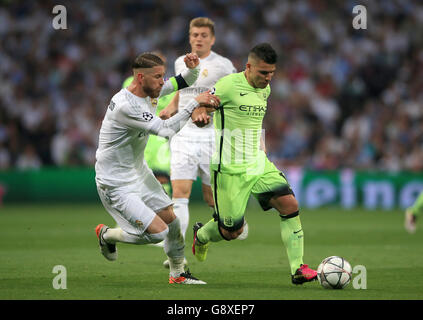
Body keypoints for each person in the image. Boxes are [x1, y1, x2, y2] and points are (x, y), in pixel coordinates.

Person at [191, 43, 318, 285]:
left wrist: (261, 143)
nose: (268, 78)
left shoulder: (265, 90)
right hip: (229, 170)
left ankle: (298, 268)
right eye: (263, 72)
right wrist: (200, 114)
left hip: (258, 163)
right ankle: (202, 234)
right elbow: (203, 104)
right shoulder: (229, 85)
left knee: (289, 205)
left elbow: (254, 120)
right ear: (248, 67)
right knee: (231, 232)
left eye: (272, 72)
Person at [94, 51, 219, 284]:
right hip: (115, 182)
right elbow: (165, 130)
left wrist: (192, 70)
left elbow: (181, 81)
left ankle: (178, 274)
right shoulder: (125, 105)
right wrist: (194, 103)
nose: (163, 82)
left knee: (172, 221)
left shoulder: (150, 90)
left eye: (163, 76)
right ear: (141, 78)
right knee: (157, 232)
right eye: (158, 77)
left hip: (138, 173)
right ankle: (107, 235)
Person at [159, 18, 247, 269]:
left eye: (203, 35)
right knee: (180, 195)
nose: (198, 38)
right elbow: (181, 91)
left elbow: (231, 96)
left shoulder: (223, 65)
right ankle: (177, 255)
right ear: (189, 37)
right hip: (184, 134)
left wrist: (204, 107)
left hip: (212, 136)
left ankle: (229, 223)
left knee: (212, 199)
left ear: (213, 39)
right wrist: (170, 108)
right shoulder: (180, 62)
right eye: (194, 34)